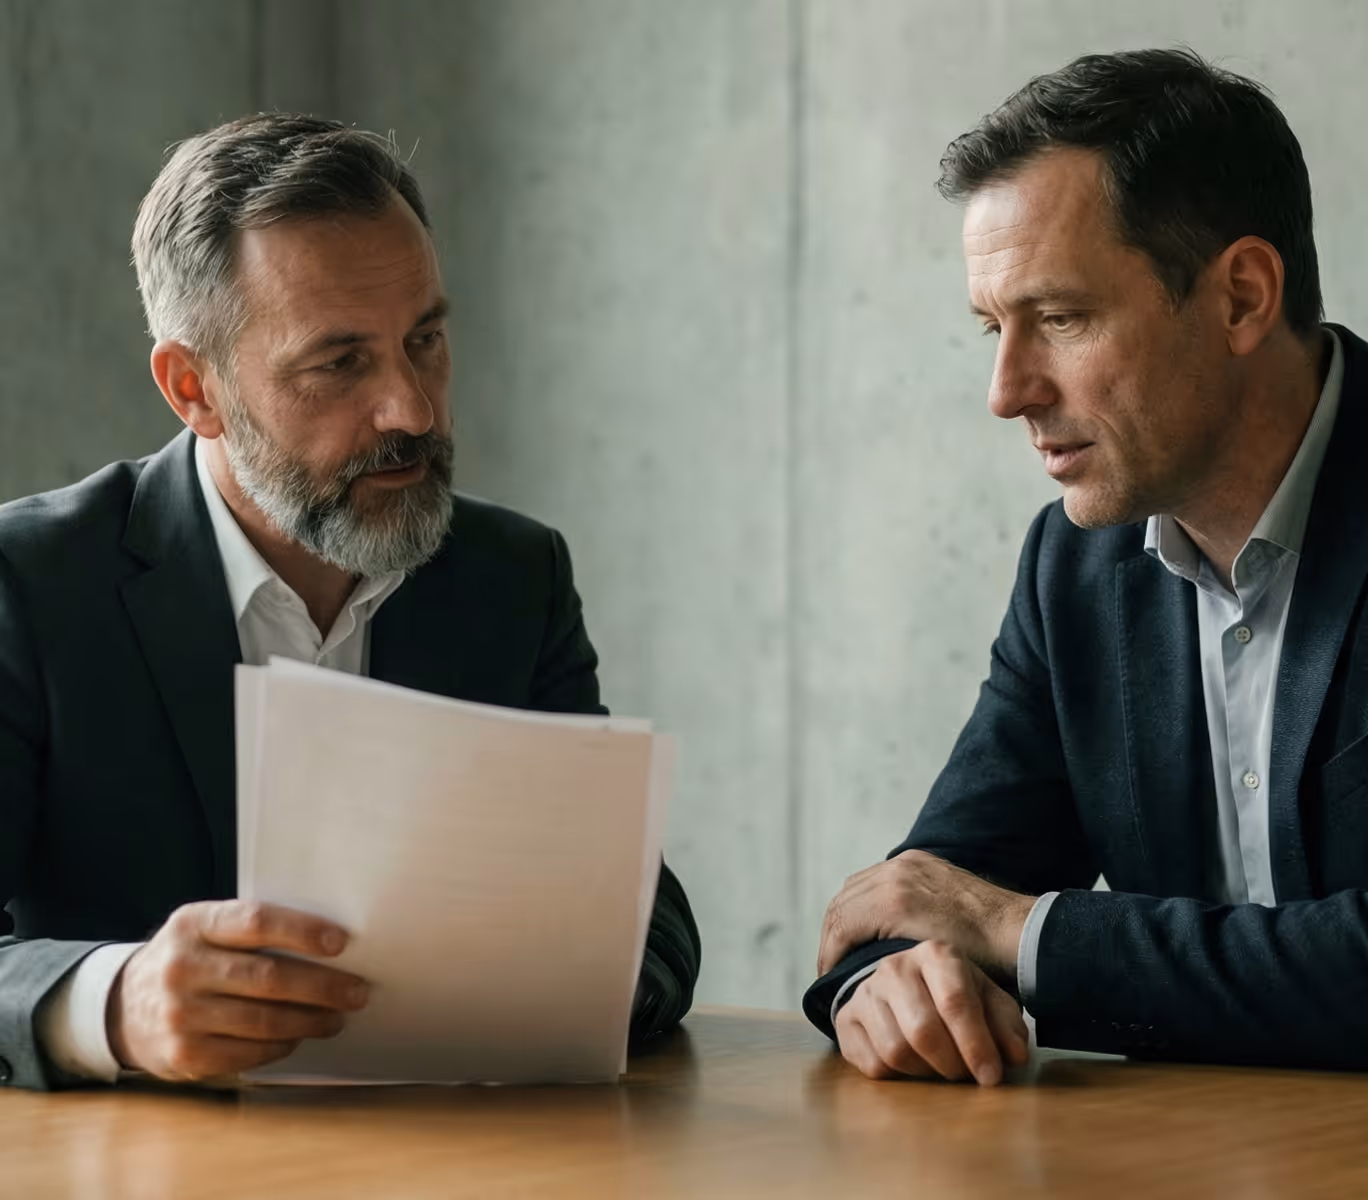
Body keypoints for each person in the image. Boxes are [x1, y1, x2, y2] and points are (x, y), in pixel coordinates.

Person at [0, 114, 700, 1091]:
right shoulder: (31, 585)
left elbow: (645, 924)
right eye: (339, 363)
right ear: (194, 388)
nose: (413, 409)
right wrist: (114, 1004)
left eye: (425, 340)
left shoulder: (511, 578)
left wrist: (545, 987)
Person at [805, 48, 1368, 1084]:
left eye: (1060, 320)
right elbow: (930, 887)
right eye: (993, 328)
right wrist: (889, 985)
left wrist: (1018, 931)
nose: (1006, 392)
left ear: (1242, 297)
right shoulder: (1074, 566)